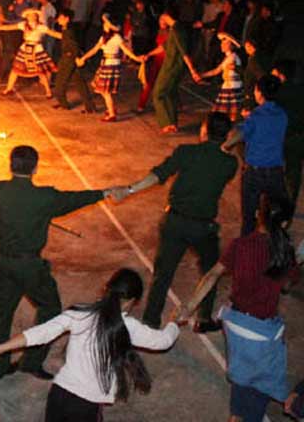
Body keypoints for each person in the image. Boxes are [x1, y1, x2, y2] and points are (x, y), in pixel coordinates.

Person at [0, 145, 123, 381]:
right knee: (51, 309)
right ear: (35, 168)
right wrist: (105, 192)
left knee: (0, 315)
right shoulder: (46, 197)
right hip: (31, 267)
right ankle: (32, 361)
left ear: (11, 166)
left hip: (2, 262)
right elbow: (76, 199)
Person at [0, 269, 180, 421]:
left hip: (58, 396)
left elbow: (37, 334)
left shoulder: (79, 314)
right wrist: (174, 322)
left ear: (106, 289)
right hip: (86, 407)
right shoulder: (129, 327)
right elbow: (163, 341)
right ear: (131, 302)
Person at [179, 195, 299, 422]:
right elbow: (287, 286)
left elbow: (213, 275)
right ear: (285, 224)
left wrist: (189, 307)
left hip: (234, 327)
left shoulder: (240, 245)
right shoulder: (285, 252)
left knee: (243, 387)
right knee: (267, 391)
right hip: (262, 336)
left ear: (257, 216)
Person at [123, 112, 238, 332]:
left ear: (204, 130)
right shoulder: (229, 164)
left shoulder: (186, 152)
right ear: (226, 135)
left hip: (175, 222)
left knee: (163, 274)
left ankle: (151, 320)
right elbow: (223, 149)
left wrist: (129, 190)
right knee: (210, 272)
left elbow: (158, 175)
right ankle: (203, 318)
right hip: (204, 227)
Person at [222, 74, 293, 235]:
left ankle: (246, 250)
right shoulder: (282, 114)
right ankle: (276, 249)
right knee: (275, 216)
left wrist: (226, 145)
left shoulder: (255, 116)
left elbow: (239, 134)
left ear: (259, 93)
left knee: (249, 217)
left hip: (255, 172)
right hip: (276, 171)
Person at [76, 14, 143, 122]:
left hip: (111, 65)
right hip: (106, 64)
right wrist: (83, 58)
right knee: (102, 89)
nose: (104, 25)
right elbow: (94, 50)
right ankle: (111, 109)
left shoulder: (116, 37)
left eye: (106, 24)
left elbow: (126, 50)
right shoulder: (103, 38)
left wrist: (136, 58)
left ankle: (112, 114)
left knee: (106, 91)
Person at [0, 8, 59, 97]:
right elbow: (9, 27)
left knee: (41, 72)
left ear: (36, 17)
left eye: (33, 15)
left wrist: (65, 36)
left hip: (37, 50)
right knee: (15, 70)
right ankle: (8, 89)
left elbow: (53, 33)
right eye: (29, 15)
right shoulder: (23, 25)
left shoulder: (41, 27)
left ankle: (48, 91)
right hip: (25, 49)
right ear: (27, 17)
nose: (31, 17)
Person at [152, 10, 201, 133]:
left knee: (158, 93)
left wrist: (192, 70)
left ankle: (166, 123)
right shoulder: (174, 29)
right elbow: (164, 47)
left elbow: (184, 52)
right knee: (169, 93)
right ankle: (172, 123)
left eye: (160, 20)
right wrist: (148, 55)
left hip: (172, 67)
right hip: (173, 66)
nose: (160, 23)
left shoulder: (177, 30)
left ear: (165, 17)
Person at [271, 60, 304, 208]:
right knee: (293, 172)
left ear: (280, 74)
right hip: (298, 136)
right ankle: (289, 205)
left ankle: (275, 204)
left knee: (275, 170)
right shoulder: (300, 90)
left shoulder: (279, 92)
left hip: (281, 137)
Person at [52, 8, 95, 113]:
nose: (59, 19)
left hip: (68, 58)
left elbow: (74, 45)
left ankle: (64, 104)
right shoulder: (67, 29)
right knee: (79, 81)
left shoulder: (69, 31)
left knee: (59, 83)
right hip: (70, 57)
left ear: (67, 19)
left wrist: (75, 57)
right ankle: (90, 107)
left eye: (61, 18)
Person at [198, 32, 243, 121]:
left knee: (230, 114)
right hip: (228, 87)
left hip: (232, 88)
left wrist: (201, 75)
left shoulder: (232, 57)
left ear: (230, 45)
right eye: (222, 43)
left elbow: (221, 70)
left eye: (224, 43)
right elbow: (216, 71)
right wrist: (201, 75)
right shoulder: (228, 57)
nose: (221, 45)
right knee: (224, 113)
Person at [136, 13, 169, 113]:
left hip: (165, 60)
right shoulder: (160, 31)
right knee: (149, 82)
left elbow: (162, 48)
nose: (161, 22)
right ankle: (141, 105)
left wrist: (149, 54)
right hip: (157, 59)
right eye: (160, 20)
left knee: (162, 84)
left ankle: (143, 106)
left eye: (163, 20)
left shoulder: (170, 33)